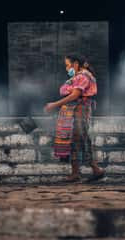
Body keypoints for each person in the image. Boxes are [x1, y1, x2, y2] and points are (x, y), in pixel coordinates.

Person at [44, 54, 106, 182]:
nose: (67, 69)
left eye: (67, 65)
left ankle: (96, 169)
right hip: (75, 110)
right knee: (75, 141)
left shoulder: (83, 76)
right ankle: (76, 173)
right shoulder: (79, 76)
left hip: (80, 110)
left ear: (76, 64)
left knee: (82, 139)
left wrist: (54, 105)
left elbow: (75, 95)